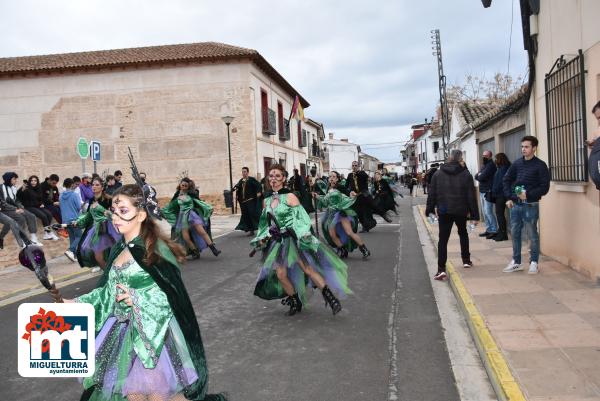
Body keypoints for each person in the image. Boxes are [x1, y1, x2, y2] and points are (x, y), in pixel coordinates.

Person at [65, 184, 227, 401]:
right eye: (114, 211)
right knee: (135, 395)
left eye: (123, 211)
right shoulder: (119, 249)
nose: (116, 217)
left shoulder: (156, 250)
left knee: (152, 395)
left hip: (152, 337)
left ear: (140, 215)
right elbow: (107, 293)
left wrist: (137, 299)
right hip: (123, 336)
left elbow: (170, 298)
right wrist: (75, 303)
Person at [251, 164, 351, 316]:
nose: (273, 179)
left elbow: (302, 219)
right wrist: (262, 237)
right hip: (278, 242)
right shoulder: (267, 200)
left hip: (294, 239)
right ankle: (294, 301)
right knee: (280, 274)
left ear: (283, 179)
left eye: (277, 176)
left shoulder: (290, 196)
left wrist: (303, 234)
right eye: (271, 176)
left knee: (308, 269)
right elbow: (265, 223)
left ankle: (332, 300)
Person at [425, 150, 480, 280]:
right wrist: (475, 215)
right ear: (460, 159)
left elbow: (432, 195)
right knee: (463, 233)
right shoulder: (466, 174)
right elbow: (471, 196)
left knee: (443, 240)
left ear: (449, 158)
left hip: (444, 210)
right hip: (461, 210)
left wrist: (429, 211)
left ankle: (441, 269)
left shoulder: (437, 174)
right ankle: (466, 260)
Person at [502, 136, 550, 274]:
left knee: (532, 234)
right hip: (516, 205)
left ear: (534, 148)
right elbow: (506, 180)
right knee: (515, 233)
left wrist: (528, 194)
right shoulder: (517, 164)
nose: (523, 149)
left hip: (531, 204)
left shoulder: (540, 165)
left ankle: (534, 262)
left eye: (526, 146)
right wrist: (509, 197)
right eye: (522, 146)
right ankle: (516, 262)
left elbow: (544, 187)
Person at [315, 171, 371, 259]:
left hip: (341, 213)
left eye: (333, 176)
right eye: (330, 176)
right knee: (332, 234)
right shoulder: (328, 188)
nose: (331, 178)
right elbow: (326, 202)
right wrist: (317, 197)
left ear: (337, 179)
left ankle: (364, 249)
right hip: (331, 214)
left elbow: (347, 192)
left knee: (349, 232)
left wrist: (351, 193)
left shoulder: (339, 187)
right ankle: (342, 250)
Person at [162, 177, 221, 259]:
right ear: (180, 185)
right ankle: (195, 251)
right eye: (182, 185)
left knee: (202, 232)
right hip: (182, 217)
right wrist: (161, 212)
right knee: (186, 237)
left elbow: (198, 201)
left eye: (186, 186)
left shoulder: (191, 194)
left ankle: (214, 249)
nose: (184, 187)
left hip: (192, 215)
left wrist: (207, 207)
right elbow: (171, 206)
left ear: (188, 187)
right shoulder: (177, 195)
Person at [74, 177, 120, 271]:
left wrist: (103, 210)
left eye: (97, 185)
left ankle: (113, 274)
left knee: (114, 254)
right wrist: (78, 222)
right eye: (93, 185)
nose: (94, 187)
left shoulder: (108, 200)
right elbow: (88, 216)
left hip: (110, 230)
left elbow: (115, 215)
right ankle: (109, 275)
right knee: (98, 257)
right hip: (97, 231)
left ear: (102, 187)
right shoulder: (91, 200)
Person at [345, 161, 391, 232]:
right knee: (360, 213)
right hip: (357, 197)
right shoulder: (350, 175)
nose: (354, 167)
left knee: (374, 205)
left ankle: (384, 215)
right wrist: (350, 192)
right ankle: (365, 227)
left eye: (356, 165)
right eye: (353, 165)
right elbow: (346, 186)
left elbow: (365, 177)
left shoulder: (361, 173)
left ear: (358, 166)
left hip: (364, 194)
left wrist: (357, 173)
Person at [0, 172, 42, 245]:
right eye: (14, 179)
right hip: (5, 210)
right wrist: (15, 209)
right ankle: (23, 239)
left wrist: (20, 207)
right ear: (8, 179)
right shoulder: (1, 188)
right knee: (20, 218)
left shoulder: (13, 188)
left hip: (15, 208)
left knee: (31, 216)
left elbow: (16, 200)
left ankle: (33, 238)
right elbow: (3, 203)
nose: (16, 180)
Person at [17, 175, 59, 240]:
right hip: (28, 207)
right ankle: (49, 232)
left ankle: (47, 233)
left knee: (49, 214)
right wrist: (22, 190)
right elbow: (19, 196)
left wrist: (41, 203)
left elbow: (40, 198)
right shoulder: (26, 188)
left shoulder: (38, 188)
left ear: (37, 181)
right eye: (32, 180)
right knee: (44, 216)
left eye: (35, 181)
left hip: (37, 206)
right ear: (29, 181)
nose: (33, 182)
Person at [475, 150, 498, 239]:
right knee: (485, 212)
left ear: (490, 156)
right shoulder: (484, 165)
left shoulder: (491, 165)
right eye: (483, 155)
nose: (483, 157)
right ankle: (488, 229)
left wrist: (480, 175)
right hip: (482, 191)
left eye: (486, 156)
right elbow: (476, 176)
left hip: (488, 191)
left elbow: (481, 177)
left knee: (488, 212)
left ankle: (494, 230)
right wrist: (480, 175)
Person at [233, 167, 262, 236]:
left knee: (252, 214)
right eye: (242, 172)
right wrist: (235, 190)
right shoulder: (241, 181)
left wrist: (258, 192)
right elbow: (238, 187)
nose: (243, 173)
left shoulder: (251, 180)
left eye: (245, 171)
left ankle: (260, 227)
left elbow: (258, 185)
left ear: (248, 172)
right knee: (246, 216)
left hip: (251, 200)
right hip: (244, 202)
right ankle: (250, 230)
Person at [60, 178, 83, 262]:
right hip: (74, 219)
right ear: (72, 184)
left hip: (65, 220)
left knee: (72, 238)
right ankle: (70, 250)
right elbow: (78, 207)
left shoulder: (61, 195)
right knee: (79, 236)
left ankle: (73, 255)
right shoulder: (75, 194)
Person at [491, 153, 511, 241]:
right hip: (501, 194)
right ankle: (501, 232)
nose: (495, 161)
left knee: (500, 215)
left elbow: (500, 183)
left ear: (500, 159)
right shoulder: (504, 168)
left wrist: (494, 192)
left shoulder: (503, 169)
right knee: (500, 214)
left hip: (501, 195)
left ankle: (503, 234)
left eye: (496, 159)